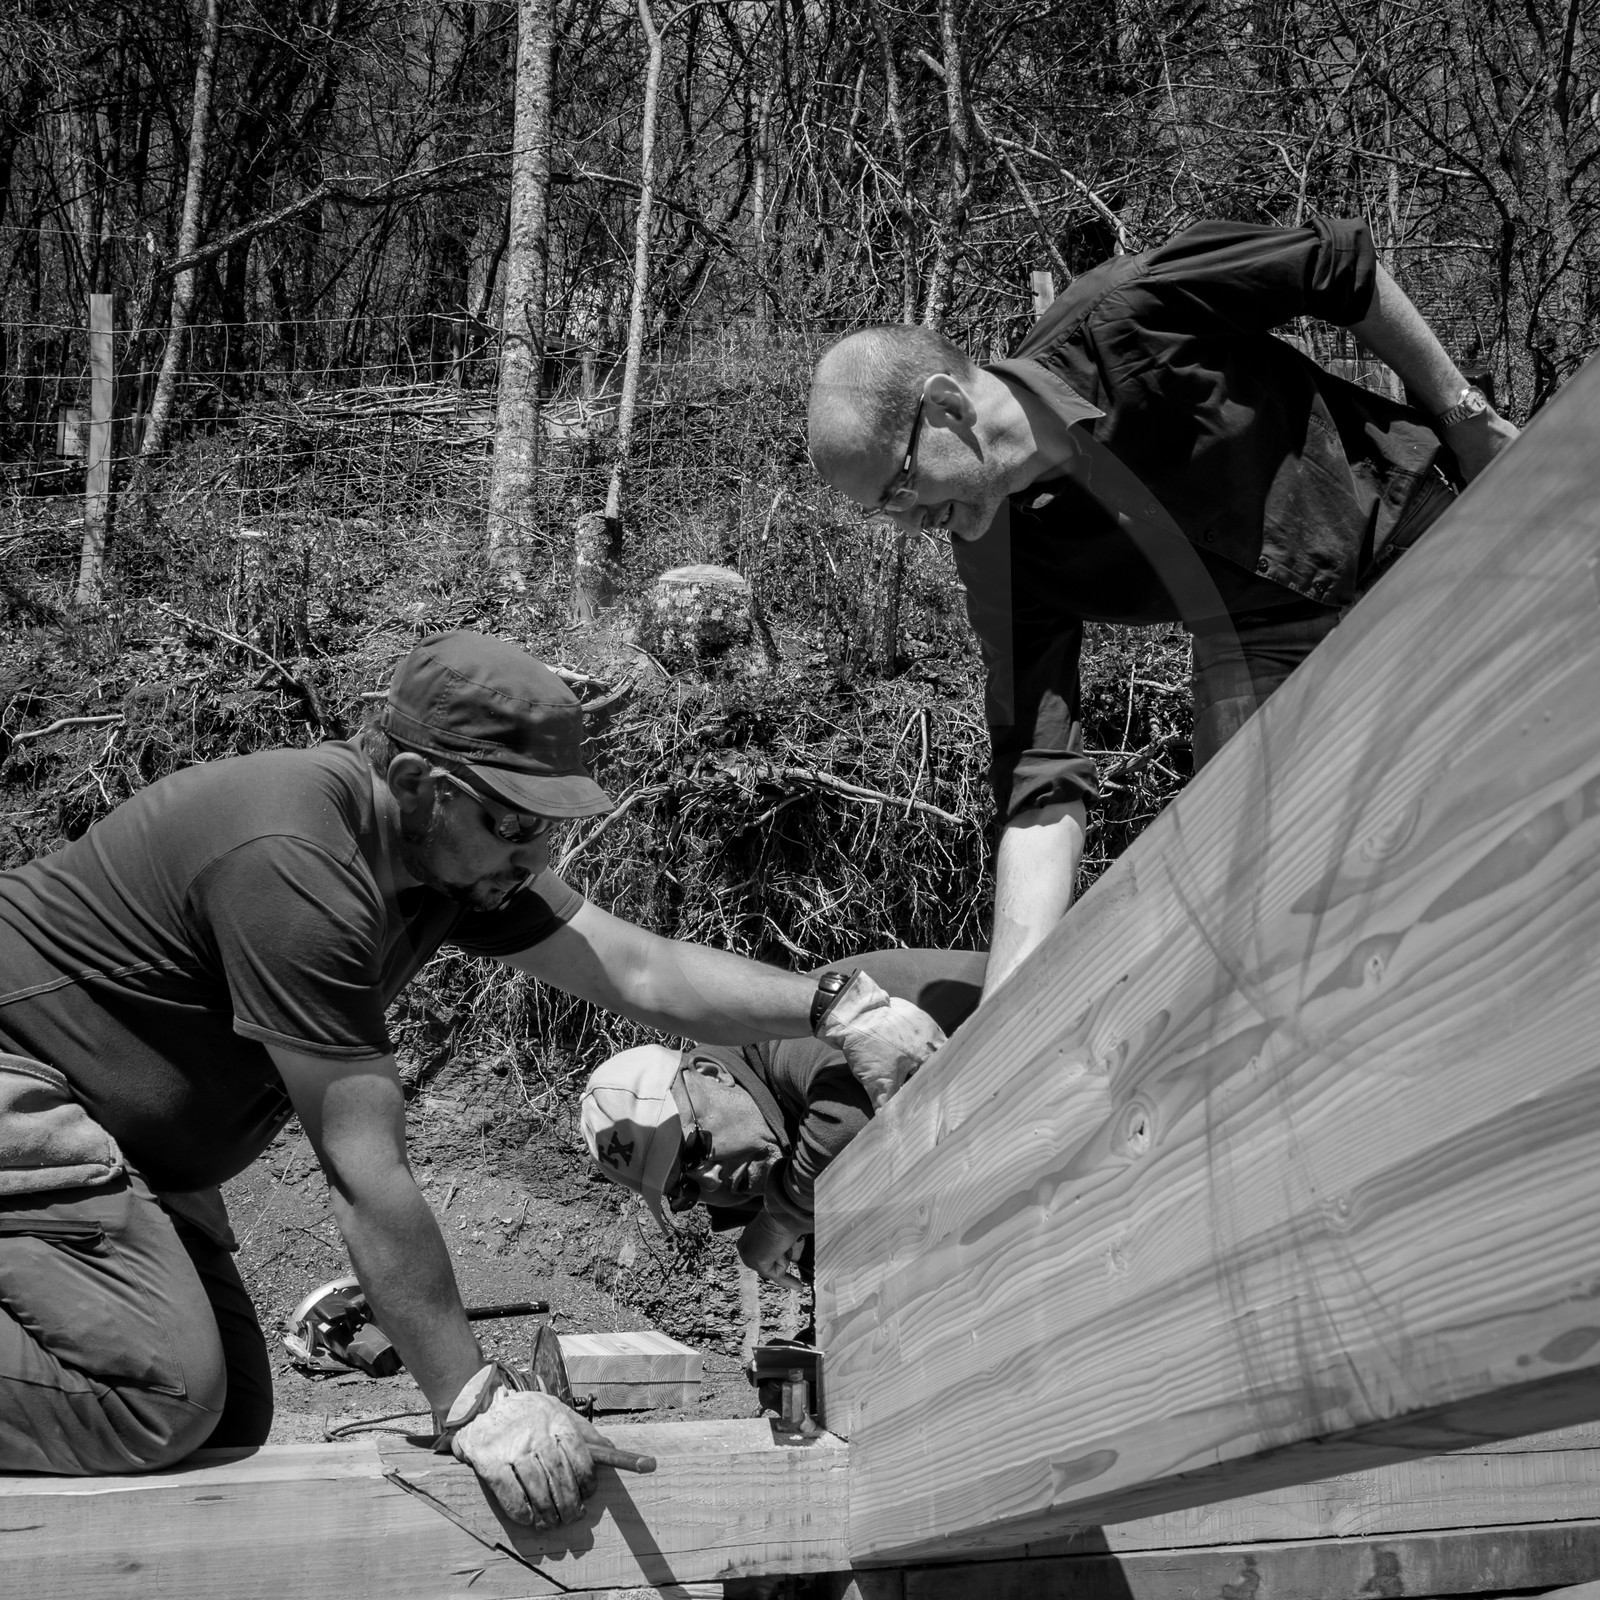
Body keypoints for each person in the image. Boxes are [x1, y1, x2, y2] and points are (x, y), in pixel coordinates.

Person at [0, 630, 945, 1524]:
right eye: (513, 824)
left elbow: (642, 972)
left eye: (550, 829)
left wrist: (837, 1007)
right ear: (416, 782)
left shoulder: (451, 867)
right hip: (22, 1086)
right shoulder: (293, 859)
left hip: (130, 1149)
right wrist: (472, 1398)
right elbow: (363, 1169)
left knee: (232, 1421)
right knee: (162, 1395)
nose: (535, 857)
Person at [805, 216, 1521, 1004]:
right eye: (884, 513)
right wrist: (1004, 1004)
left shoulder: (1129, 310)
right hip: (1253, 644)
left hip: (1408, 526)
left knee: (1513, 781)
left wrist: (1465, 418)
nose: (908, 526)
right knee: (1255, 914)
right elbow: (1041, 778)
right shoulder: (995, 551)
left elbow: (1336, 264)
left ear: (944, 405)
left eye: (900, 488)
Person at [580, 949, 986, 1285]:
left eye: (693, 1149)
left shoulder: (786, 1032)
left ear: (712, 1074)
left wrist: (780, 1219)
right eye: (685, 1189)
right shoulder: (777, 1147)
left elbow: (853, 1120)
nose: (709, 1180)